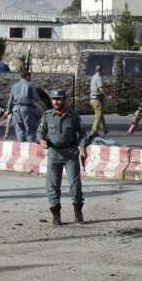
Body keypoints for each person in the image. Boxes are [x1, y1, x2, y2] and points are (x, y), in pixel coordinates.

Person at [37, 88, 90, 226]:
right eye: (54, 99)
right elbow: (40, 133)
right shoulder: (47, 115)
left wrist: (83, 148)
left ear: (65, 100)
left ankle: (78, 211)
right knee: (53, 185)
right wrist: (42, 140)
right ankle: (56, 214)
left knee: (75, 183)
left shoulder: (73, 116)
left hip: (71, 153)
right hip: (54, 153)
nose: (56, 102)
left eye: (59, 99)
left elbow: (83, 133)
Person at [4, 71, 40, 142]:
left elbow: (11, 99)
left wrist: (8, 110)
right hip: (26, 108)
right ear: (28, 77)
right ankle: (30, 144)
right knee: (30, 128)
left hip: (16, 109)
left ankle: (21, 144)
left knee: (19, 128)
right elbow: (37, 98)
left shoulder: (14, 86)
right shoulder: (30, 85)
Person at [90, 64, 112, 136]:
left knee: (100, 115)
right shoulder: (99, 77)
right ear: (101, 70)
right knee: (98, 117)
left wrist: (105, 85)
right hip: (97, 99)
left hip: (93, 99)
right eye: (103, 70)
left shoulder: (94, 77)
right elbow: (100, 88)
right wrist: (108, 95)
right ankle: (93, 133)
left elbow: (100, 85)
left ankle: (104, 130)